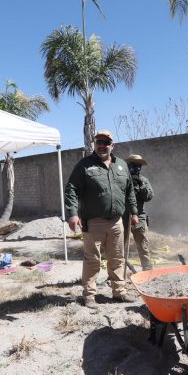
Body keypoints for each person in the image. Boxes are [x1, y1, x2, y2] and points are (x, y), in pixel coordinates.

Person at [65, 130, 138, 309]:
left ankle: (119, 292)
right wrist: (73, 214)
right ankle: (89, 295)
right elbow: (71, 189)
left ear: (112, 145)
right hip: (93, 222)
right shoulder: (84, 165)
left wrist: (134, 212)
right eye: (99, 142)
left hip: (116, 221)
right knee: (92, 259)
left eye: (106, 142)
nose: (102, 145)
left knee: (117, 258)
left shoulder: (121, 165)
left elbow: (129, 191)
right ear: (95, 144)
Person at [124, 154, 154, 271]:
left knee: (143, 247)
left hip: (140, 219)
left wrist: (141, 186)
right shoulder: (122, 179)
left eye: (138, 166)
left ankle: (147, 271)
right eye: (133, 165)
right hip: (123, 218)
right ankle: (119, 274)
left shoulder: (144, 180)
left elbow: (149, 196)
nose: (136, 168)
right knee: (120, 248)